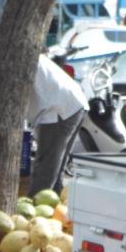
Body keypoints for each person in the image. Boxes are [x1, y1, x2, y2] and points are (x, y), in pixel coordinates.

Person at [28, 54, 89, 197]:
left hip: (59, 108)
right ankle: (55, 210)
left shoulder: (10, 57)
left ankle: (34, 211)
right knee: (56, 167)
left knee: (46, 167)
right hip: (71, 103)